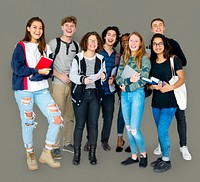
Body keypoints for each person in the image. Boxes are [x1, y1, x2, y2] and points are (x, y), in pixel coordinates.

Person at [11, 17, 62, 171]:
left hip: (41, 89)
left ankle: (46, 153)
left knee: (56, 119)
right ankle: (30, 154)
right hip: (24, 89)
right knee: (28, 122)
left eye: (40, 28)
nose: (38, 31)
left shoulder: (46, 48)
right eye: (34, 27)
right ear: (28, 28)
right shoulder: (21, 46)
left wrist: (42, 73)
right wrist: (36, 71)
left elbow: (50, 70)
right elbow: (17, 68)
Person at [149, 18, 192, 161]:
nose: (158, 27)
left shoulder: (172, 44)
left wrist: (169, 58)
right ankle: (162, 145)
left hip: (174, 89)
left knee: (180, 117)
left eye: (160, 25)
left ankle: (183, 146)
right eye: (155, 26)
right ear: (151, 29)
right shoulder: (150, 48)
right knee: (161, 123)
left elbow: (183, 62)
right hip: (159, 94)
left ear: (164, 27)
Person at [70, 31, 106, 165]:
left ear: (98, 44)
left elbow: (103, 73)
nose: (92, 43)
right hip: (81, 94)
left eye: (95, 41)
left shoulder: (100, 58)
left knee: (94, 125)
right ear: (85, 42)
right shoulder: (77, 58)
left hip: (95, 95)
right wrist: (83, 79)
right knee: (79, 125)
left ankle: (92, 154)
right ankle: (77, 154)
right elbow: (72, 75)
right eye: (90, 40)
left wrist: (103, 76)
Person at [116, 32, 150, 168]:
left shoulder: (144, 58)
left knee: (135, 129)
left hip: (136, 95)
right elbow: (119, 78)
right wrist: (130, 79)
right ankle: (134, 156)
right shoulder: (125, 56)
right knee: (128, 128)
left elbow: (143, 80)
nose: (133, 43)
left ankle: (143, 155)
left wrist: (127, 87)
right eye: (131, 40)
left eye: (136, 41)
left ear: (140, 43)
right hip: (125, 96)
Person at [83, 26, 121, 152]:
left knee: (108, 116)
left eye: (113, 35)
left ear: (116, 38)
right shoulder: (97, 52)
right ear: (104, 36)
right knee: (92, 117)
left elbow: (119, 72)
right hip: (95, 89)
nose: (111, 37)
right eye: (108, 34)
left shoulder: (117, 55)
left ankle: (105, 140)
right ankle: (90, 139)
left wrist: (114, 78)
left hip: (109, 91)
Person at [48, 16, 80, 159]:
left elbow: (79, 66)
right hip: (58, 85)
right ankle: (55, 146)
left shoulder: (77, 46)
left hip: (72, 85)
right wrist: (60, 75)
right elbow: (45, 65)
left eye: (72, 26)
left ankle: (67, 143)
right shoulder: (54, 43)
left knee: (70, 116)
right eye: (66, 25)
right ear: (62, 27)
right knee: (57, 116)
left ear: (75, 28)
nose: (69, 28)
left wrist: (73, 75)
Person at [116, 33, 131, 153]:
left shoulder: (139, 55)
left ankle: (132, 141)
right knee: (121, 115)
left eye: (127, 40)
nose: (125, 42)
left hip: (136, 90)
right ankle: (120, 139)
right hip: (123, 89)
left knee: (133, 117)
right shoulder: (120, 56)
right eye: (122, 41)